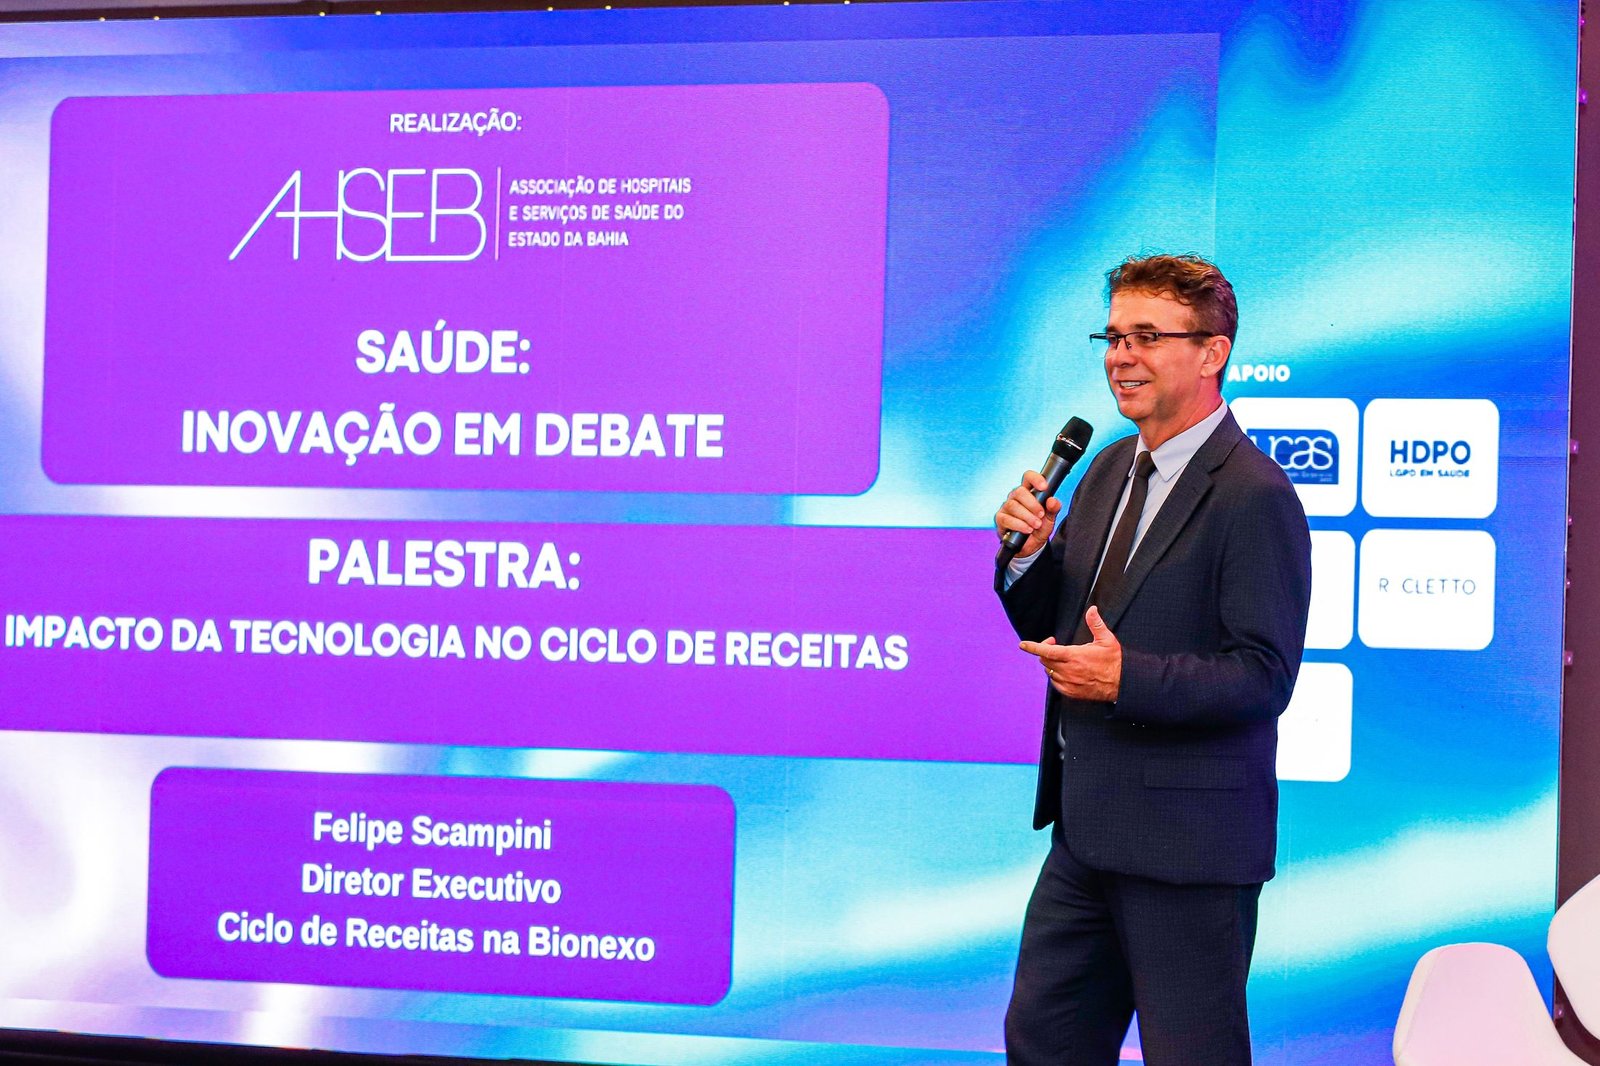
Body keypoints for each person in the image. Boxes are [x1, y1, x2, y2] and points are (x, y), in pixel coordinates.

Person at [992, 253, 1312, 1066]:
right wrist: (1028, 557)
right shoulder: (1105, 469)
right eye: (1113, 336)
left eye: (1146, 336)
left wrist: (1125, 679)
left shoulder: (1254, 495)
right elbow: (1070, 624)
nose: (1121, 356)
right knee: (1043, 1043)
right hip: (1084, 838)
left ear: (1212, 353)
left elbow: (1263, 675)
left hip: (1189, 851)